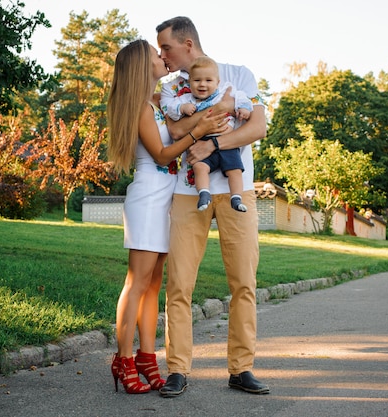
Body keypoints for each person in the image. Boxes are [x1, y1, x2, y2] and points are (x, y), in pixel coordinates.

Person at [156, 16, 270, 397]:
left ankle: (242, 368)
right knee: (179, 284)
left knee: (244, 283)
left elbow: (257, 127)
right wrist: (212, 118)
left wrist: (212, 144)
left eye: (166, 47)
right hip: (188, 194)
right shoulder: (171, 87)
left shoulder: (239, 75)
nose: (162, 55)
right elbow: (172, 131)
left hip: (239, 192)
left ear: (188, 44)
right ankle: (177, 369)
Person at [106, 38, 227, 395]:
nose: (163, 59)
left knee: (153, 286)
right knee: (137, 283)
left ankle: (146, 357)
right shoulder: (142, 108)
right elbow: (161, 155)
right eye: (156, 56)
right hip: (147, 199)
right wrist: (198, 132)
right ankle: (123, 359)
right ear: (144, 67)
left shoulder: (157, 104)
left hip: (164, 201)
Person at [163, 55, 252, 212]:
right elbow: (171, 109)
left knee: (235, 171)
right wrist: (182, 109)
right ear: (190, 83)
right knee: (199, 168)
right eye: (197, 81)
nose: (202, 84)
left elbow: (242, 98)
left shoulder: (226, 91)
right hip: (201, 141)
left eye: (208, 80)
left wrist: (244, 108)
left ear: (217, 82)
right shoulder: (186, 99)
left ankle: (236, 198)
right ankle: (204, 193)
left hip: (226, 142)